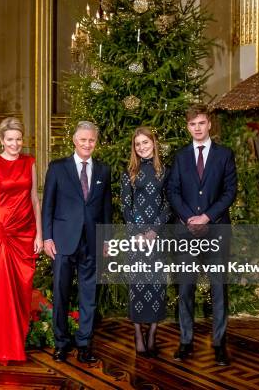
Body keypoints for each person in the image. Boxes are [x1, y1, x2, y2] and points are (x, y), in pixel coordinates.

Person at [167, 104, 237, 366]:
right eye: (192, 124)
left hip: (216, 230)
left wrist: (207, 217)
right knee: (185, 287)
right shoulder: (180, 156)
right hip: (186, 232)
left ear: (209, 124)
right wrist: (188, 218)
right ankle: (186, 341)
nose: (197, 128)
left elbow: (230, 192)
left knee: (219, 287)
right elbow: (172, 191)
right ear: (188, 127)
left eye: (201, 123)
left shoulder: (224, 155)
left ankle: (219, 344)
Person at [42, 121, 112, 364]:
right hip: (62, 241)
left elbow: (106, 208)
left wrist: (106, 238)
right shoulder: (58, 167)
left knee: (89, 295)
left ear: (96, 142)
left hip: (92, 241)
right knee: (60, 294)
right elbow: (47, 205)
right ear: (74, 140)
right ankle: (61, 343)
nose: (87, 144)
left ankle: (84, 344)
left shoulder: (104, 170)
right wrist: (47, 237)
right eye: (83, 140)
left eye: (91, 140)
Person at [0, 117, 43, 363]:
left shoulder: (30, 162)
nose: (15, 144)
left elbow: (35, 200)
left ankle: (18, 342)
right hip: (2, 234)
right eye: (10, 140)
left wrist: (39, 233)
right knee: (1, 292)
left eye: (18, 139)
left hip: (25, 233)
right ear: (2, 141)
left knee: (23, 290)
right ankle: (0, 348)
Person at [120, 127, 171, 358]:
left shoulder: (164, 172)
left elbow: (168, 205)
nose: (141, 147)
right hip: (136, 239)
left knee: (157, 286)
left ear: (153, 143)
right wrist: (139, 234)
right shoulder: (130, 171)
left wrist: (154, 231)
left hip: (157, 238)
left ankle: (152, 333)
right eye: (137, 144)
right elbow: (125, 206)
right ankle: (138, 334)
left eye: (145, 142)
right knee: (138, 286)